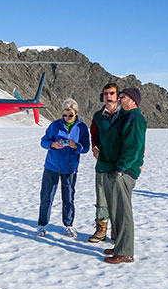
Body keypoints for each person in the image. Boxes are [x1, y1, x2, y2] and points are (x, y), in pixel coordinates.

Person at [96, 88, 146, 264]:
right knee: (115, 211)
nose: (119, 99)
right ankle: (119, 246)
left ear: (132, 100)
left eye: (122, 97)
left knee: (123, 213)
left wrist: (121, 169)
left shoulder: (134, 118)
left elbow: (133, 146)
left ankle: (125, 252)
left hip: (122, 172)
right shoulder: (124, 117)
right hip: (113, 169)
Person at [37, 98, 90, 239]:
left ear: (76, 113)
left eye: (70, 115)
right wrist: (53, 144)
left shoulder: (82, 128)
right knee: (46, 197)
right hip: (52, 166)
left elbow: (86, 147)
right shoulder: (55, 125)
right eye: (65, 114)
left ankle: (68, 225)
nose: (67, 118)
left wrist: (75, 146)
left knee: (68, 198)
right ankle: (42, 225)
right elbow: (43, 141)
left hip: (70, 168)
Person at [88, 83, 120, 242]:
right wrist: (94, 147)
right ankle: (101, 229)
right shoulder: (98, 116)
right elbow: (94, 133)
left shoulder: (125, 114)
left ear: (118, 95)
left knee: (118, 198)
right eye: (106, 93)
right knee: (101, 197)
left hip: (120, 163)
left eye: (112, 93)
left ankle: (117, 230)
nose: (109, 96)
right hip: (102, 162)